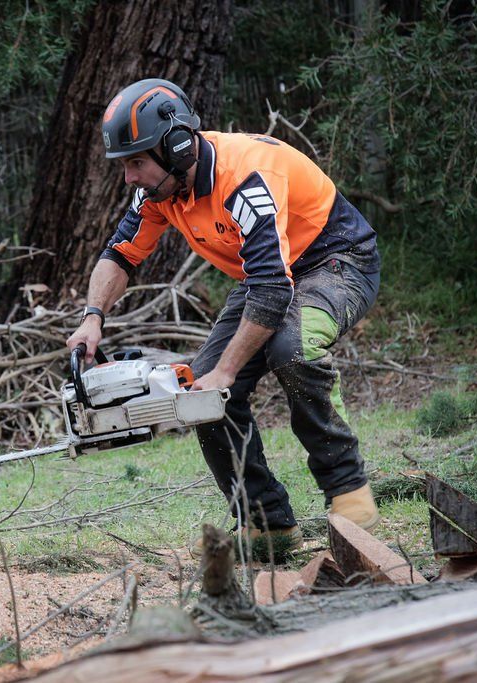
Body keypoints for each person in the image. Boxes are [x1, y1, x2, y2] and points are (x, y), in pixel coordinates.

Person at [66, 78, 383, 546]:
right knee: (202, 391)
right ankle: (266, 524)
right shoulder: (160, 191)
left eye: (136, 162)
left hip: (336, 260)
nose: (128, 177)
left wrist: (227, 373)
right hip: (267, 275)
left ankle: (348, 488)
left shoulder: (245, 178)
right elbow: (119, 255)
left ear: (175, 146)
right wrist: (93, 317)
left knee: (292, 349)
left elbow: (274, 291)